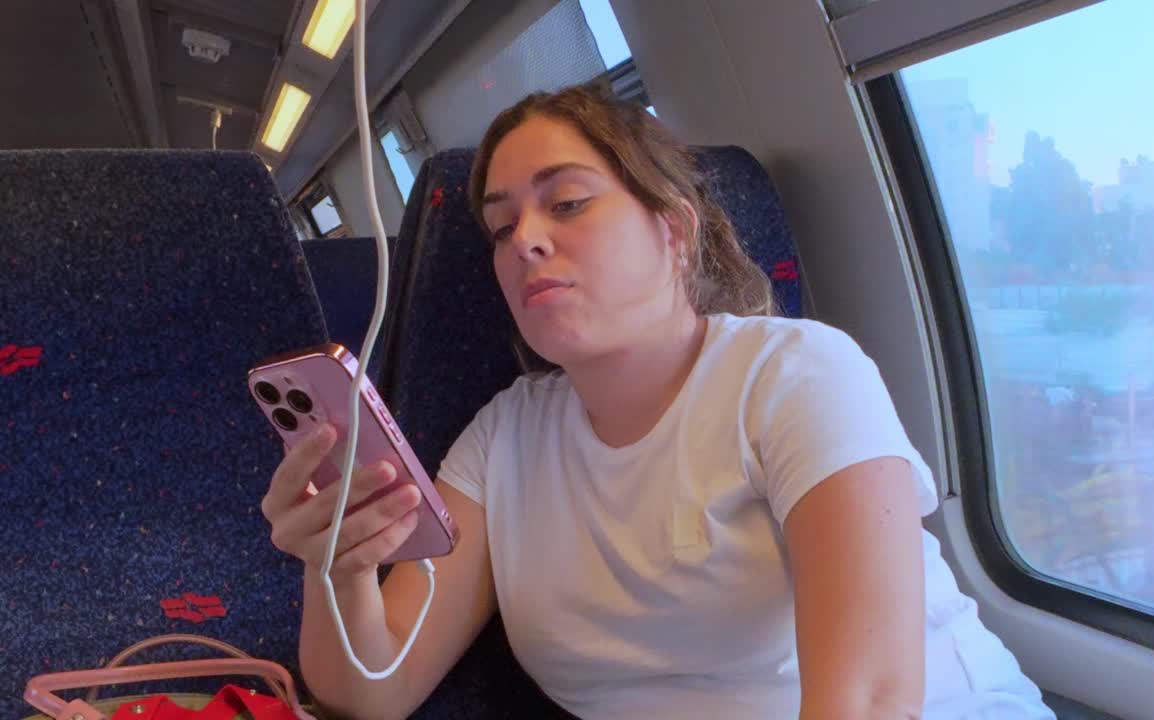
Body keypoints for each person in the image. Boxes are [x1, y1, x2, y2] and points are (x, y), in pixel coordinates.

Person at [259, 84, 1055, 720]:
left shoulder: (795, 375)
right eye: (501, 228)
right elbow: (372, 690)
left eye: (566, 203)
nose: (526, 240)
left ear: (673, 230)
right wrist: (337, 569)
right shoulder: (505, 439)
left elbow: (874, 701)